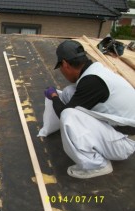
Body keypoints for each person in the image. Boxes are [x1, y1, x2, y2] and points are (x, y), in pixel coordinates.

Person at [44, 40, 135, 179]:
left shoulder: (92, 82)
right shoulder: (94, 72)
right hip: (122, 129)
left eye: (60, 68)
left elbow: (65, 114)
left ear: (65, 64)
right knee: (69, 92)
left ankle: (97, 165)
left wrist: (54, 96)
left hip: (124, 142)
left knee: (68, 116)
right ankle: (81, 138)